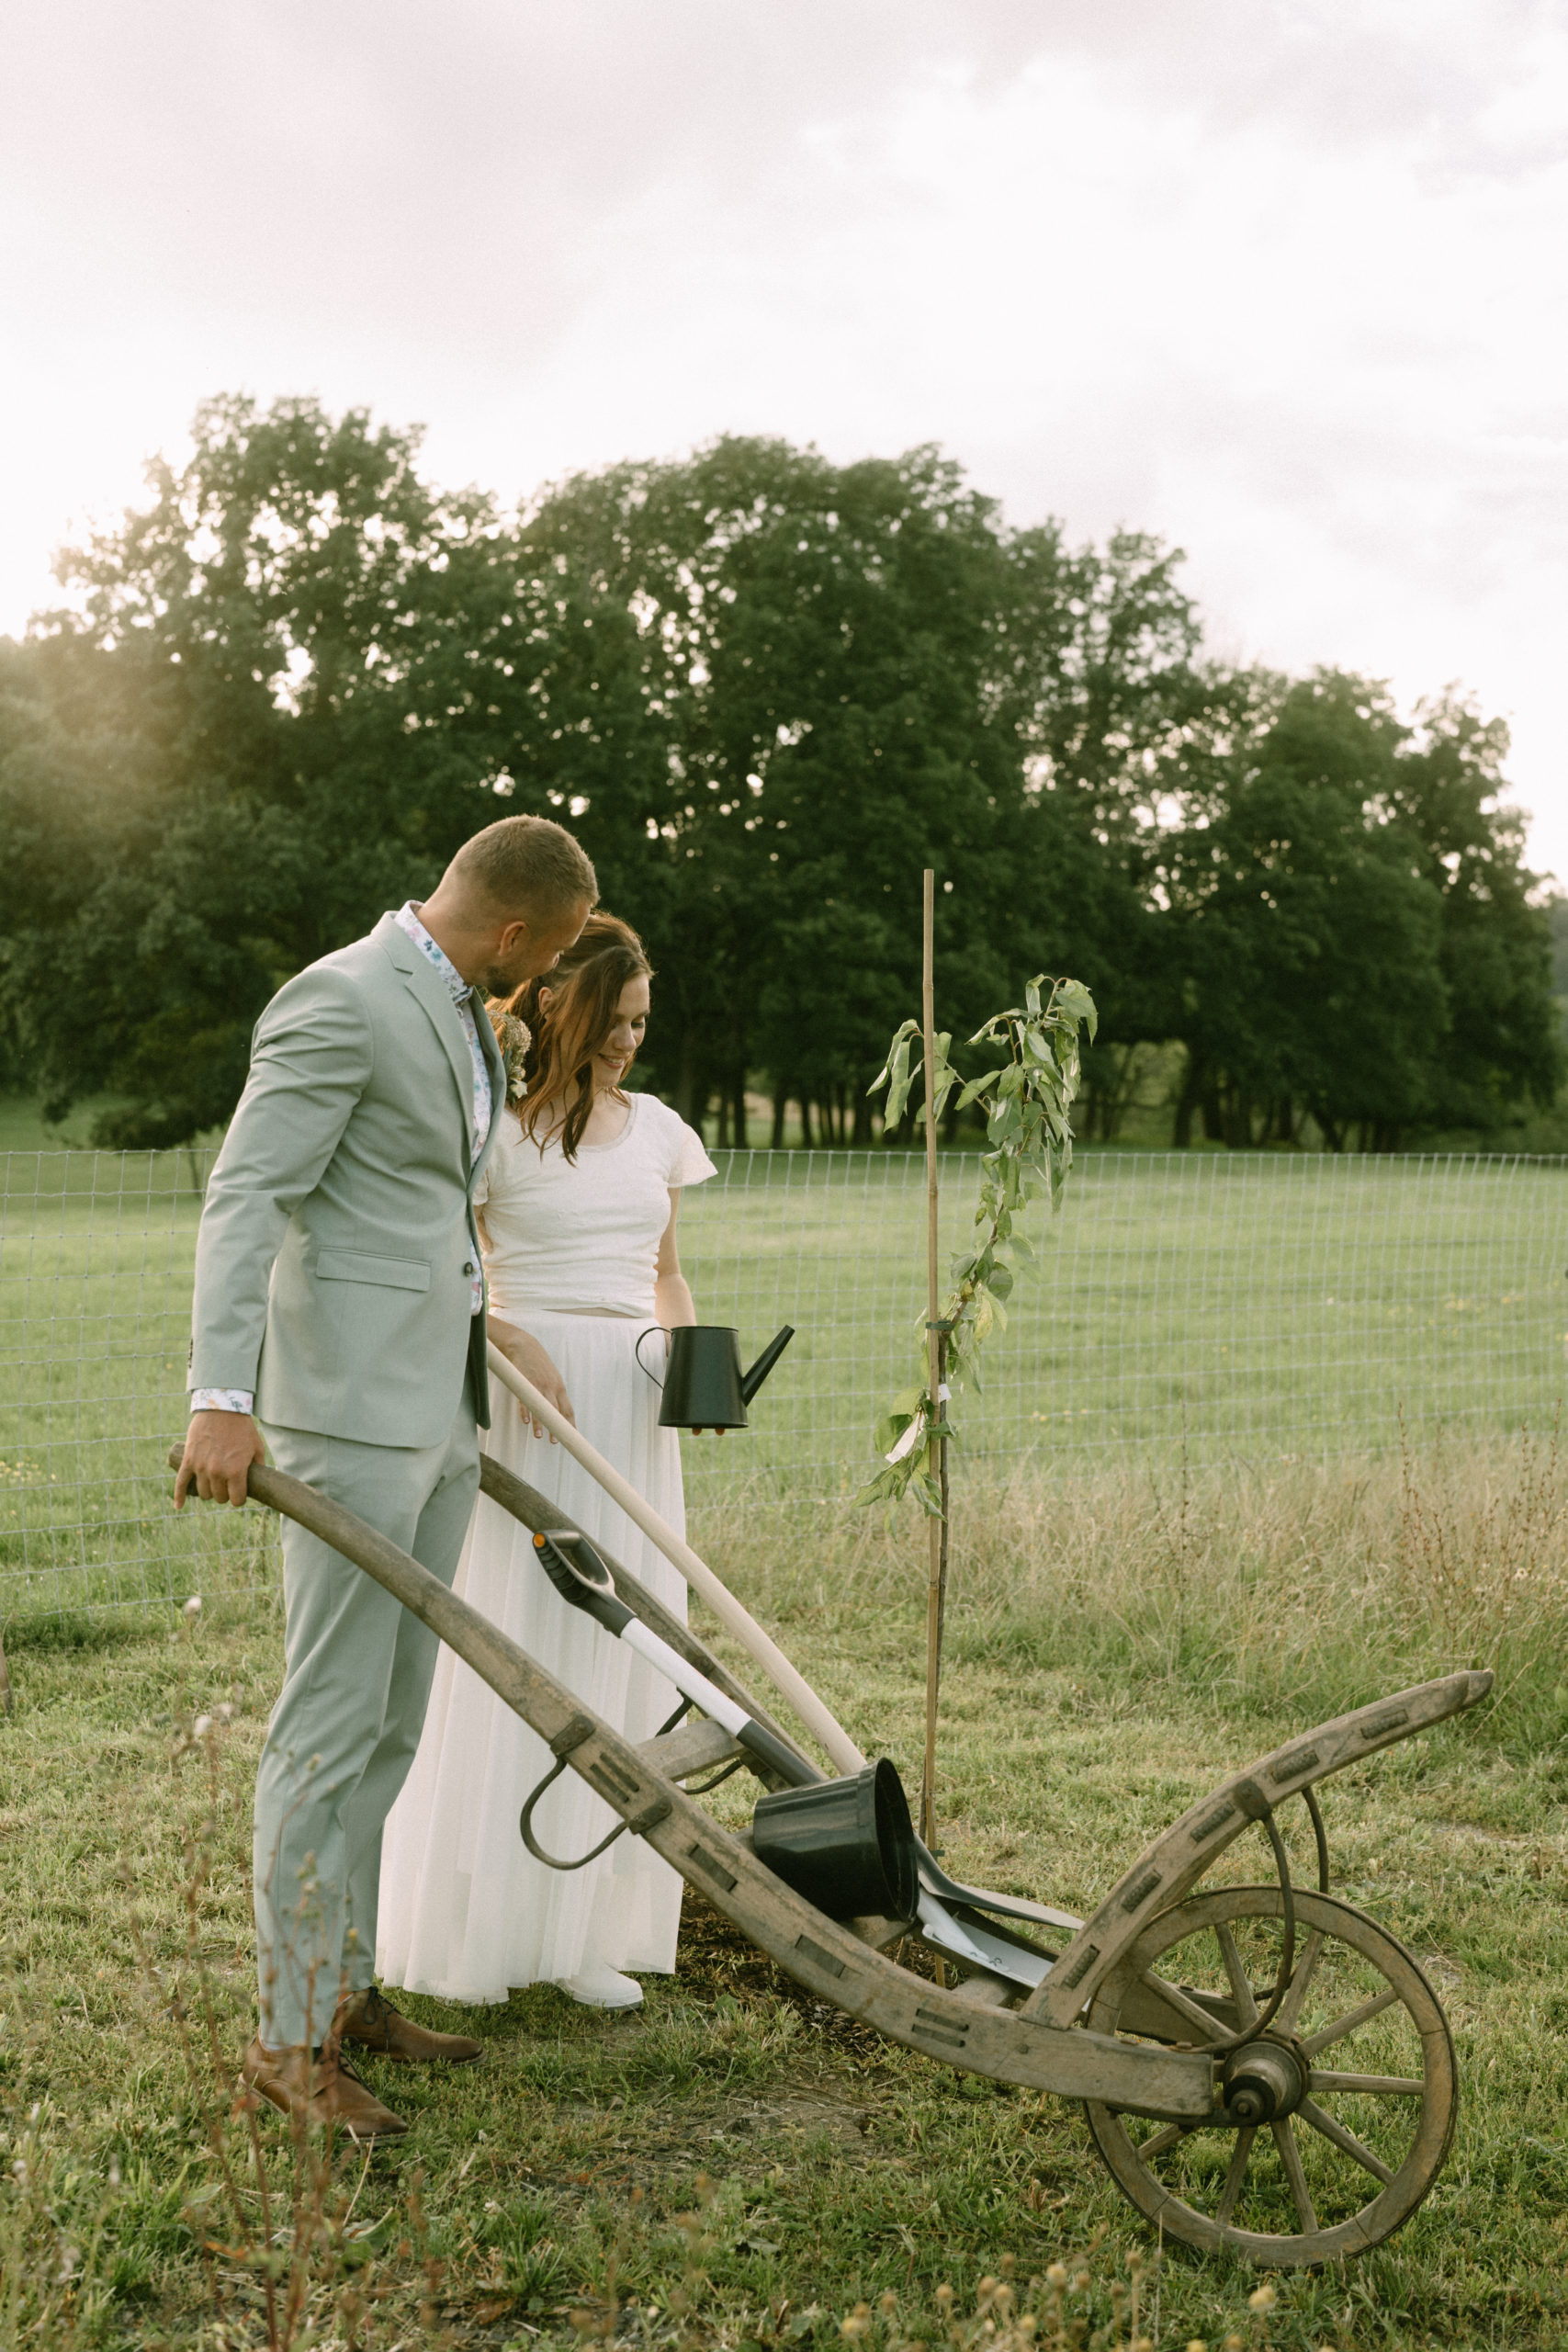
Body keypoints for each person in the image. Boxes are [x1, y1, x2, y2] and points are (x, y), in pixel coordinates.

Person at [175, 815, 596, 2141]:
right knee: (326, 1724)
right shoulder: (342, 998)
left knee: (392, 1722)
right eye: (551, 960)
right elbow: (247, 1199)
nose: (537, 988)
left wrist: (487, 1328)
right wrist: (222, 1398)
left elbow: (419, 1208)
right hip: (348, 1419)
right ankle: (284, 2039)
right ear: (516, 932)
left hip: (436, 1415)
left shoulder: (466, 1012)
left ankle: (347, 1989)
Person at [377, 914, 716, 2011]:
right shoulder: (498, 1129)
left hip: (631, 1398)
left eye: (642, 1023)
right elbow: (452, 1267)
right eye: (616, 1020)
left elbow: (666, 1276)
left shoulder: (660, 1130)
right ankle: (483, 1920)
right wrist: (505, 1351)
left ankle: (584, 1931)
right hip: (527, 1399)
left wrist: (692, 1358)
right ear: (563, 1009)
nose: (629, 1041)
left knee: (623, 1646)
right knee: (518, 1638)